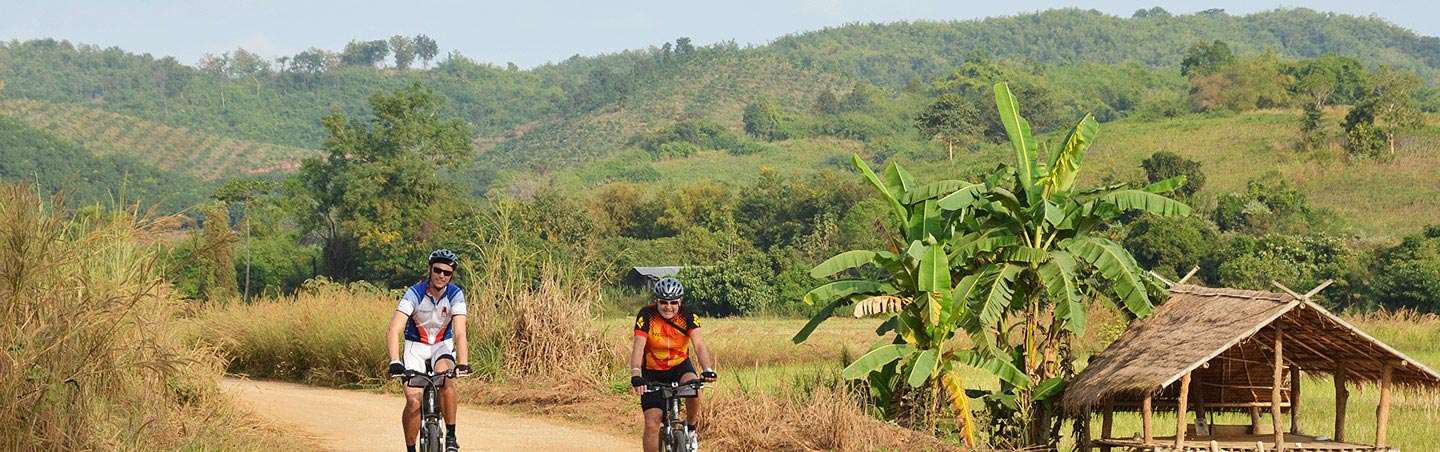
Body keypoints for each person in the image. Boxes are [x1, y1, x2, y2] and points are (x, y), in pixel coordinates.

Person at [387, 249, 470, 452]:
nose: (441, 275)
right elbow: (394, 328)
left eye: (447, 273)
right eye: (437, 270)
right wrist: (395, 361)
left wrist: (463, 363)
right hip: (415, 347)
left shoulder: (455, 294)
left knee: (446, 380)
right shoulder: (414, 293)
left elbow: (460, 332)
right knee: (414, 402)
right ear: (430, 270)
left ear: (451, 275)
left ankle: (451, 436)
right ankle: (410, 448)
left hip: (442, 345)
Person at [629, 277, 717, 452]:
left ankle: (691, 429)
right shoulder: (646, 315)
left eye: (673, 303)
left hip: (679, 367)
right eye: (664, 302)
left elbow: (698, 344)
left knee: (695, 386)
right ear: (657, 301)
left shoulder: (688, 315)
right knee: (652, 423)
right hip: (652, 371)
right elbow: (638, 346)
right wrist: (636, 375)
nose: (668, 307)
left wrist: (708, 369)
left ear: (680, 301)